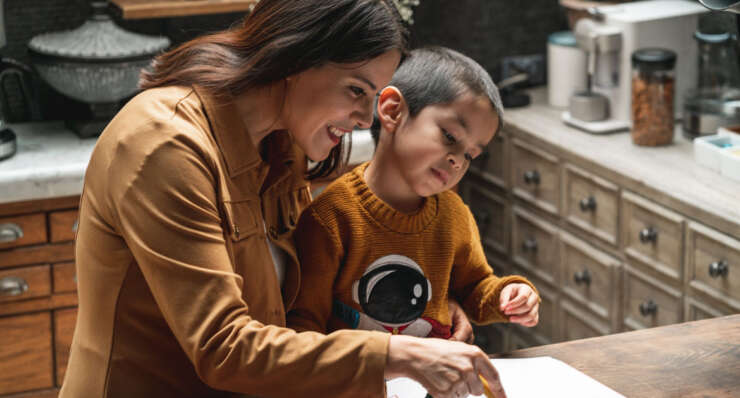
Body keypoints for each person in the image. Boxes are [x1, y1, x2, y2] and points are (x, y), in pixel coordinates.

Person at [59, 1, 507, 398]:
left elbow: (305, 294)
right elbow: (225, 348)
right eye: (356, 89)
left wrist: (423, 314)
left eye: (372, 97)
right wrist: (400, 352)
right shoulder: (163, 145)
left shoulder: (283, 142)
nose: (363, 118)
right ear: (294, 56)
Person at [287, 47, 540, 346]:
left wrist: (508, 295)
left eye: (471, 155)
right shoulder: (330, 219)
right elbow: (304, 325)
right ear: (393, 110)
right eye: (450, 137)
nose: (458, 161)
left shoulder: (454, 215)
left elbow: (475, 288)